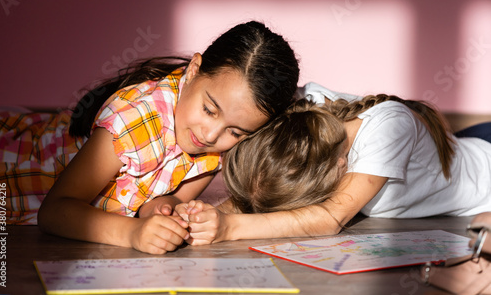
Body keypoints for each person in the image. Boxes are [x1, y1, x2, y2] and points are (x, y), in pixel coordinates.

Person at [0, 21, 300, 254]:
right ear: (193, 70)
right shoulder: (131, 120)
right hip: (9, 163)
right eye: (209, 109)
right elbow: (55, 211)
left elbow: (175, 197)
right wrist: (132, 233)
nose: (210, 135)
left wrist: (165, 209)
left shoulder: (219, 144)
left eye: (235, 131)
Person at [175, 83, 491, 245]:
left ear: (340, 166)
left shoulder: (388, 131)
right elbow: (262, 179)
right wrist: (204, 214)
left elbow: (329, 218)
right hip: (462, 146)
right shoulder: (306, 108)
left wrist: (229, 228)